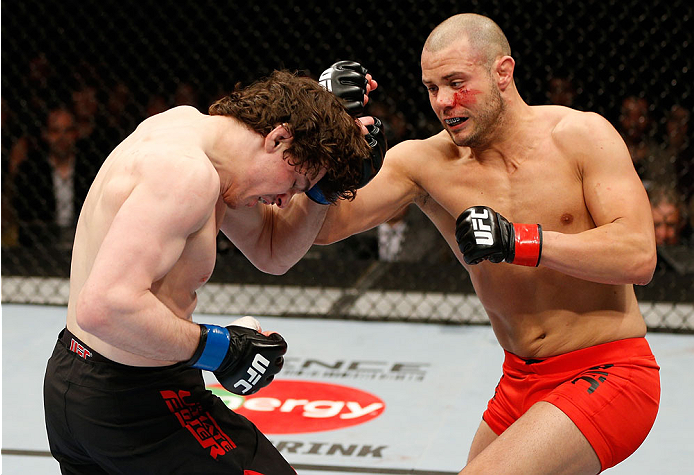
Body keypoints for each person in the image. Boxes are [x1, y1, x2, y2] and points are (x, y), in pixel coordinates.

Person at [313, 14, 660, 474]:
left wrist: (519, 241)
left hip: (609, 370)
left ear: (503, 72)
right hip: (519, 379)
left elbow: (639, 255)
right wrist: (325, 127)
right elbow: (318, 229)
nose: (444, 102)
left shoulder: (580, 136)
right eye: (432, 87)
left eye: (457, 83)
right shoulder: (424, 163)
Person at [43, 69, 382, 474]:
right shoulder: (186, 173)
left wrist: (328, 182)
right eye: (295, 180)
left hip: (76, 380)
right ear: (278, 138)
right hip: (131, 402)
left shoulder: (193, 137)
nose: (284, 199)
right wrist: (224, 349)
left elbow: (272, 251)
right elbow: (103, 307)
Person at [13, 106, 99, 248]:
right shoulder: (30, 172)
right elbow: (25, 218)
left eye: (68, 131)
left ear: (76, 133)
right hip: (40, 246)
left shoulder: (90, 169)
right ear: (45, 135)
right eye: (55, 131)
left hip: (83, 242)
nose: (62, 137)